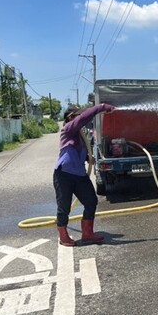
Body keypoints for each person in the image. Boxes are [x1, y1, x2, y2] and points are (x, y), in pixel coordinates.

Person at [54, 103, 115, 246]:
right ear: (70, 117)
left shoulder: (81, 135)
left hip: (80, 175)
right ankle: (63, 236)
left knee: (91, 201)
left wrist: (88, 158)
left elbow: (79, 150)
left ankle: (87, 233)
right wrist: (101, 107)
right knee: (64, 206)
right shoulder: (67, 129)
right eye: (78, 115)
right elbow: (83, 119)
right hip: (64, 174)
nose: (81, 118)